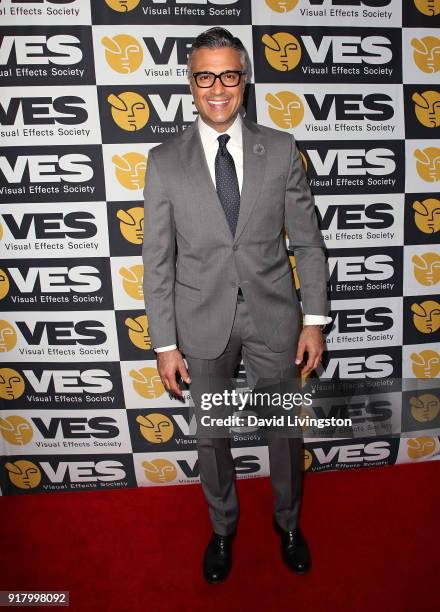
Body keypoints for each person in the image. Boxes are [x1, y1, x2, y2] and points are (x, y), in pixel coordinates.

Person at [142, 27, 330, 584]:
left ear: (244, 82)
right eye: (206, 77)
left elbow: (308, 241)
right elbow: (157, 261)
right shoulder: (163, 161)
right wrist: (164, 343)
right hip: (201, 320)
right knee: (211, 435)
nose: (217, 88)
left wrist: (314, 320)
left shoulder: (280, 148)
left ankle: (288, 524)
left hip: (275, 314)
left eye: (229, 75)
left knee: (284, 432)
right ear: (191, 83)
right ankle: (222, 528)